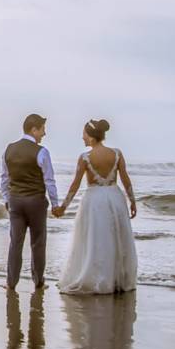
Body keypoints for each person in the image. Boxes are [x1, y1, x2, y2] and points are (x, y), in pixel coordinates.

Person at [53, 119, 138, 294]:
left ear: (91, 137)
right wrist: (132, 200)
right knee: (115, 238)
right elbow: (125, 178)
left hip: (94, 201)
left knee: (95, 239)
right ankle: (116, 279)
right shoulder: (117, 153)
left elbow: (75, 185)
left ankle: (98, 277)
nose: (82, 137)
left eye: (84, 134)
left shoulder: (85, 157)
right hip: (115, 197)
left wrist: (63, 207)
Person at [0, 113, 62, 290]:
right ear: (33, 129)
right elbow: (49, 180)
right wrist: (56, 204)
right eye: (42, 129)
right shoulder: (42, 152)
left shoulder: (8, 149)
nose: (44, 133)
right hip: (35, 202)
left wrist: (6, 198)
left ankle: (11, 283)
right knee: (38, 243)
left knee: (15, 242)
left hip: (16, 201)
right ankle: (39, 282)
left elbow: (4, 178)